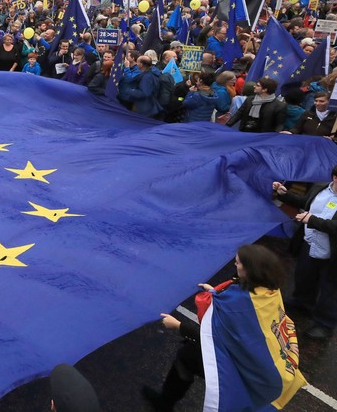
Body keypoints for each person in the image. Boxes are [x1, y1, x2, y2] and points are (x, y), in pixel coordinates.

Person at [143, 244, 298, 410]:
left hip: (244, 370)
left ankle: (164, 404)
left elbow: (214, 339)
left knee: (186, 356)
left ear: (249, 270)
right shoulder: (270, 291)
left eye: (238, 263)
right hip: (268, 369)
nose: (235, 265)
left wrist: (178, 326)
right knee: (190, 351)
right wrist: (216, 293)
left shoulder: (239, 306)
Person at [273, 172, 337, 339]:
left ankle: (325, 323)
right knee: (304, 274)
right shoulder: (320, 187)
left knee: (330, 288)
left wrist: (312, 220)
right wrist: (285, 195)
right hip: (310, 243)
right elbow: (305, 202)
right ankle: (303, 302)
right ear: (335, 178)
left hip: (332, 251)